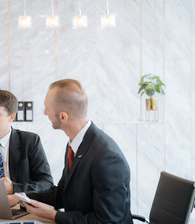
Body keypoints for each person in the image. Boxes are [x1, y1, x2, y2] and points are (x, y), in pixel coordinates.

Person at [13, 79, 133, 223]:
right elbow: (63, 193)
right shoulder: (75, 144)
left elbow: (107, 221)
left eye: (47, 108)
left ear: (63, 116)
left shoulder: (107, 158)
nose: (45, 113)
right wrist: (21, 197)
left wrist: (53, 215)